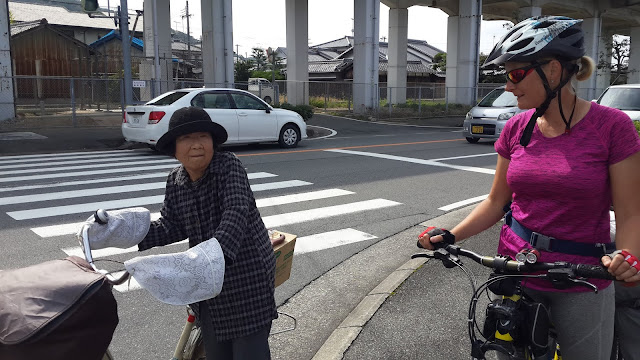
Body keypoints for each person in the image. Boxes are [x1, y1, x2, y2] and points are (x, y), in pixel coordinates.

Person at [418, 16, 640, 360]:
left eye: (515, 74)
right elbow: (495, 203)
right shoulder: (516, 127)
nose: (508, 86)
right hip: (515, 270)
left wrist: (626, 257)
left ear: (553, 70)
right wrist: (450, 234)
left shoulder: (612, 127)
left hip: (582, 276)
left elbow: (630, 213)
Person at [137, 106, 277, 360]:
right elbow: (170, 226)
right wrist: (127, 231)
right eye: (186, 138)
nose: (196, 144)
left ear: (212, 142)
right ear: (174, 150)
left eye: (203, 136)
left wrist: (207, 259)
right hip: (208, 288)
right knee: (216, 352)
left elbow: (235, 212)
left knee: (249, 353)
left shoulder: (229, 166)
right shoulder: (175, 180)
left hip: (247, 279)